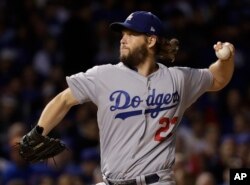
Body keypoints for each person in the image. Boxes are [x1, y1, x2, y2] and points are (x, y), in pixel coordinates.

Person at [20, 11, 235, 185]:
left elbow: (217, 80)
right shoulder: (104, 75)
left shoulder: (178, 78)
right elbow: (63, 100)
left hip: (156, 180)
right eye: (122, 34)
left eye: (131, 34)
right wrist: (38, 132)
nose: (123, 39)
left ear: (151, 40)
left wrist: (226, 59)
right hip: (110, 181)